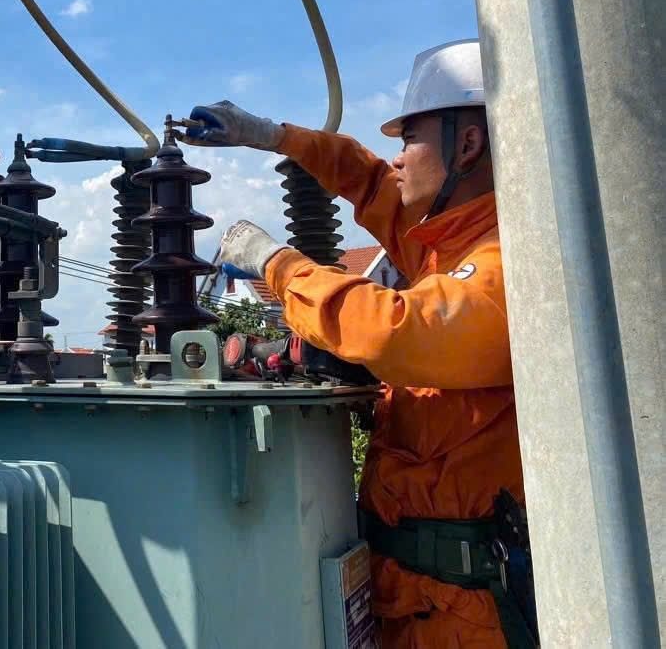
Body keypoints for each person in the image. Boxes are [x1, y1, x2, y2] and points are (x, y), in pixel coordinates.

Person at [182, 40, 533, 649]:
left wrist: (275, 263)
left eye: (410, 141)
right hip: (411, 596)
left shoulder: (509, 262)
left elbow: (393, 329)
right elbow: (368, 180)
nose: (396, 159)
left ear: (468, 145)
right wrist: (272, 136)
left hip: (469, 615)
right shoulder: (446, 244)